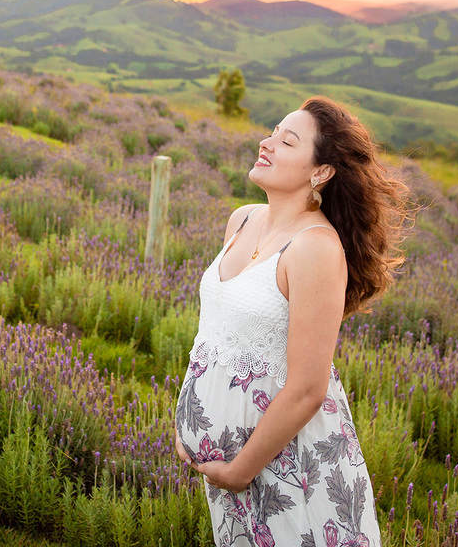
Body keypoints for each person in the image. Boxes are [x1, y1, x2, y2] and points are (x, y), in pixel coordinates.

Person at [174, 96, 406, 547]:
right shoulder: (242, 220)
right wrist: (187, 425)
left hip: (290, 469)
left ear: (320, 172)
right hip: (228, 469)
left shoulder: (315, 248)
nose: (267, 143)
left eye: (287, 141)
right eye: (272, 133)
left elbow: (307, 389)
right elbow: (216, 338)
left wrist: (240, 471)